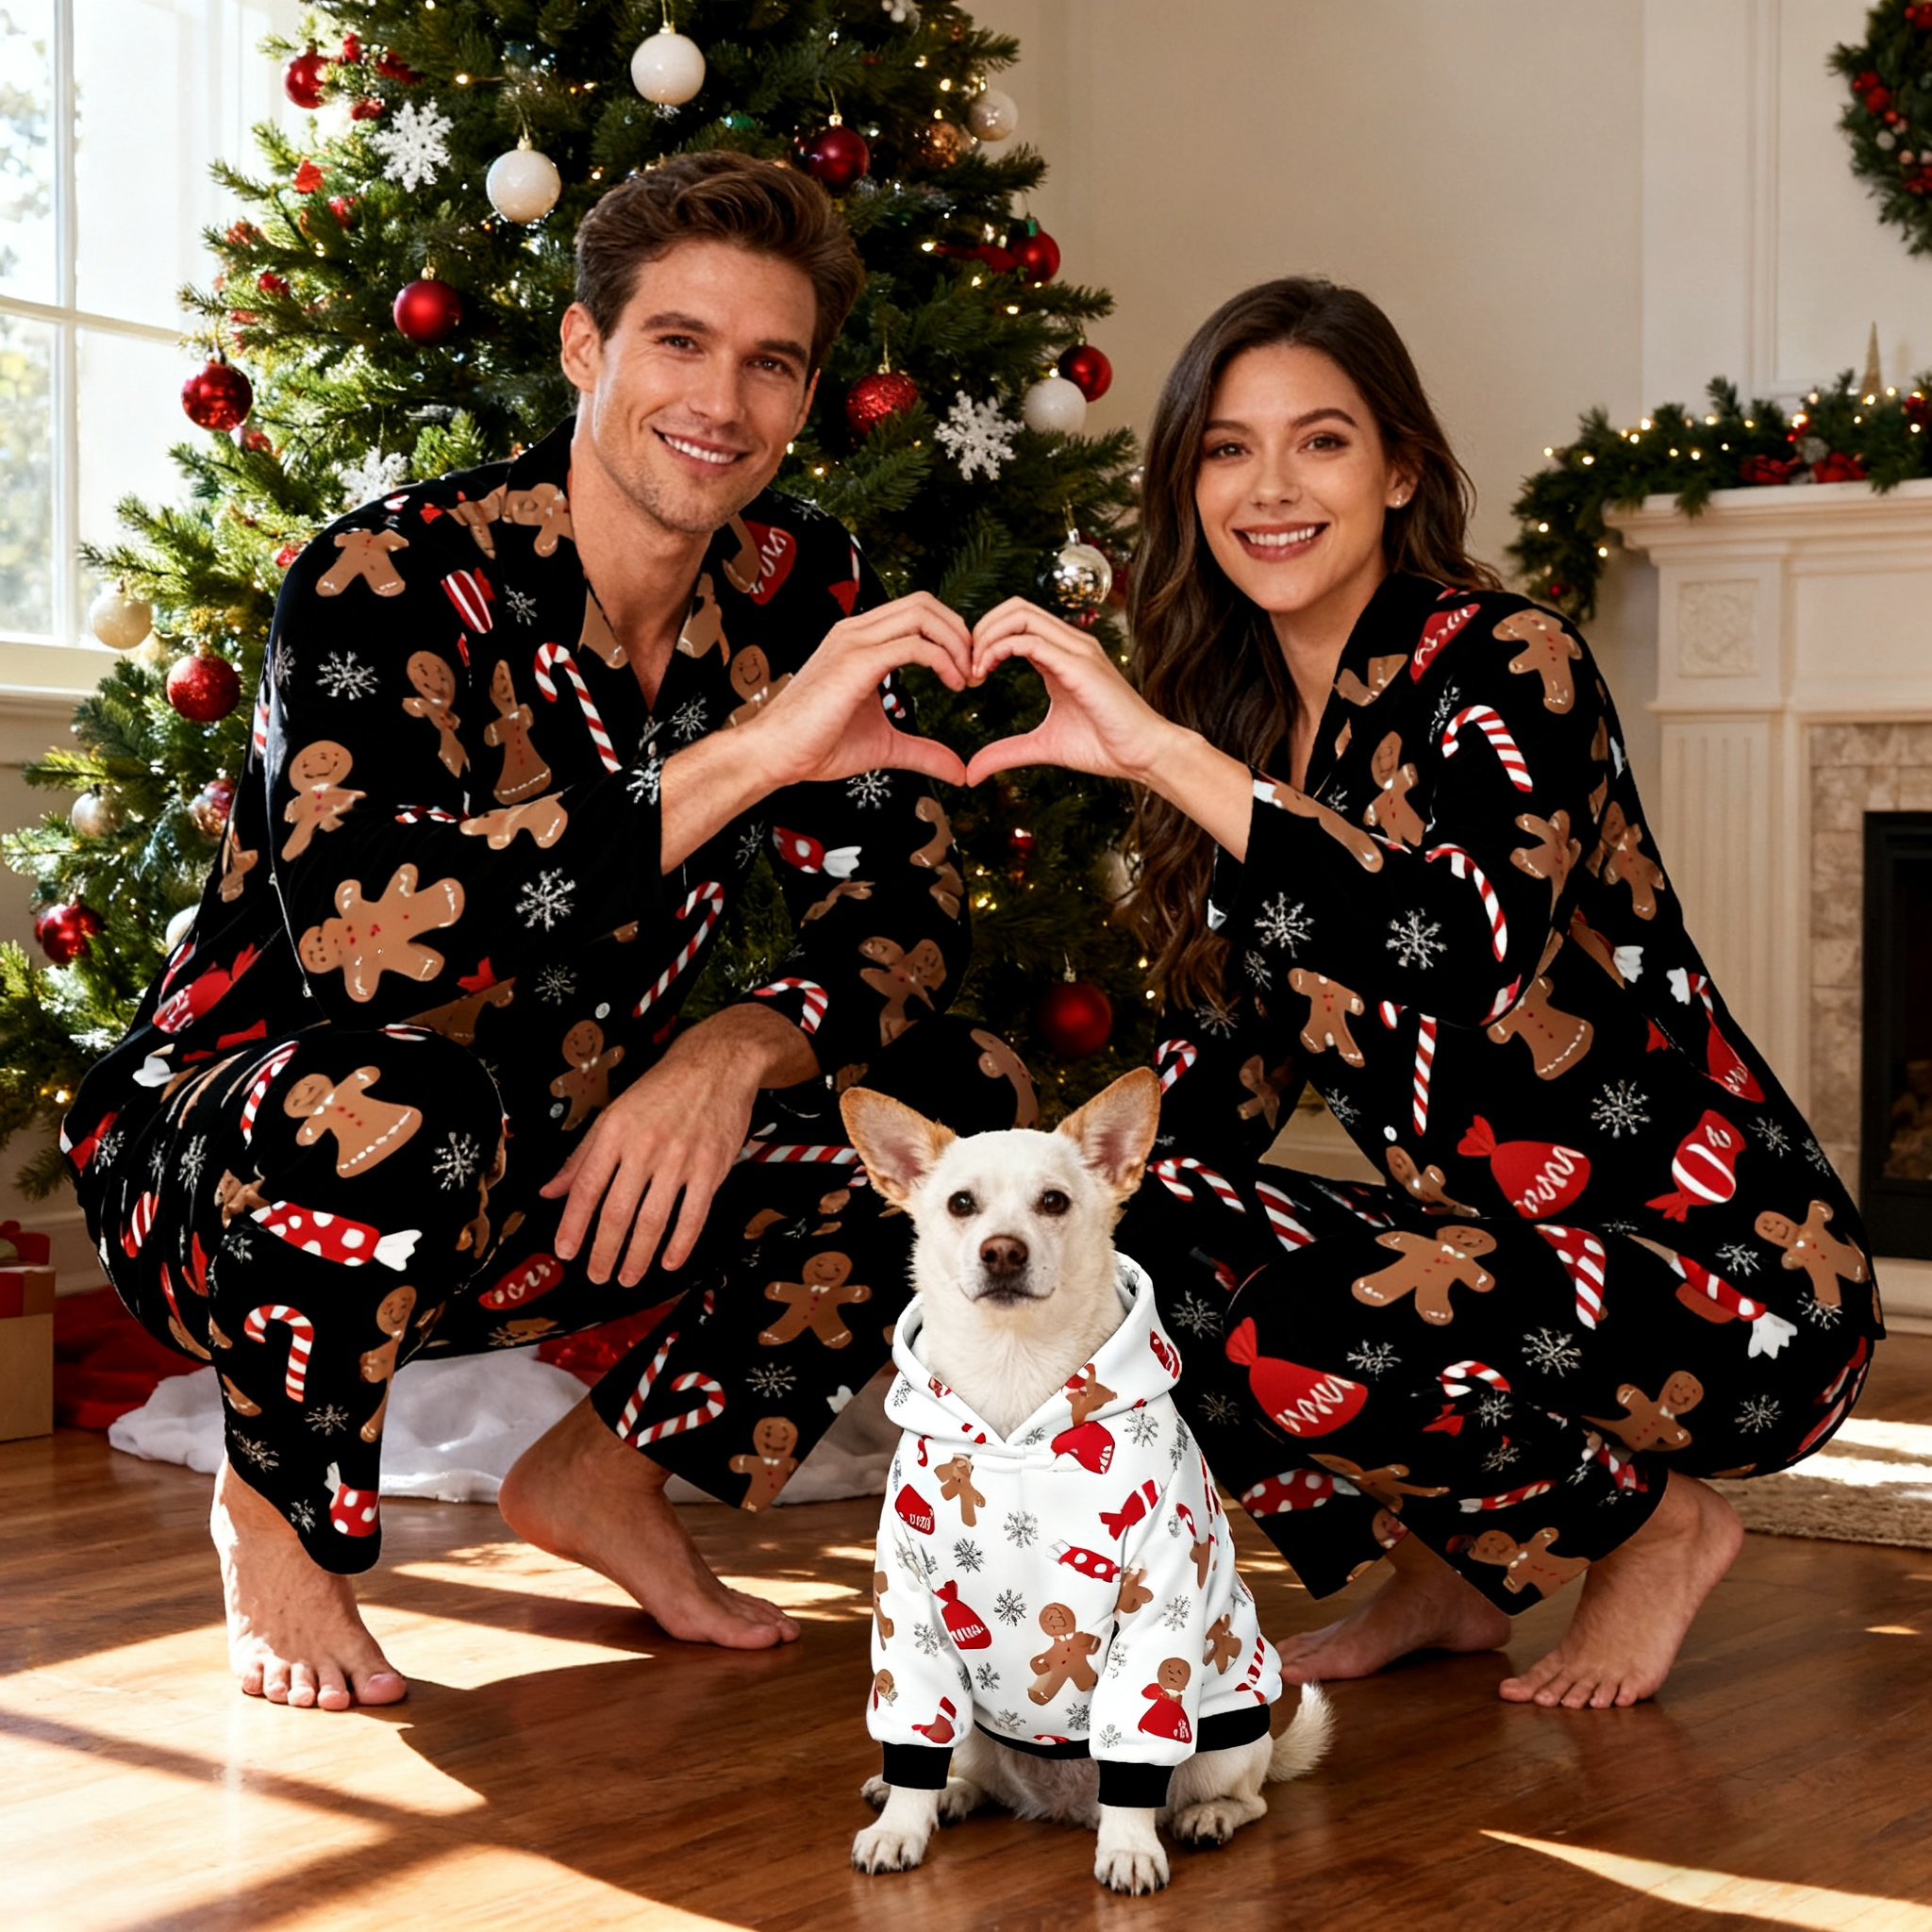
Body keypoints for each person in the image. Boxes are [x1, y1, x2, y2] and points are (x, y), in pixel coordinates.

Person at [62, 151, 1034, 1712]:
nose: (720, 400)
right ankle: (275, 1508)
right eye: (678, 341)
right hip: (246, 1167)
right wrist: (752, 755)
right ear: (586, 347)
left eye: (769, 362)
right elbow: (370, 946)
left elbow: (902, 911)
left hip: (557, 1164)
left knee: (962, 1105)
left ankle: (606, 1476)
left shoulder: (802, 590)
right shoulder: (384, 577)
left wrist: (734, 1049)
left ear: (804, 398)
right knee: (400, 1098)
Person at [948, 275, 1885, 1710]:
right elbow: (1220, 1083)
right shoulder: (1247, 727)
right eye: (1227, 448)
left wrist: (1159, 753)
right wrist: (1037, 1222)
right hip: (1488, 1270)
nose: (1270, 487)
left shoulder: (1512, 660)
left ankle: (1656, 1531)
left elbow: (1467, 947)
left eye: (1320, 442)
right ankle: (1459, 1567)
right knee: (1128, 1247)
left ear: (1399, 471)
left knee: (1302, 1327)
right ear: (1188, 483)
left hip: (1730, 1290)